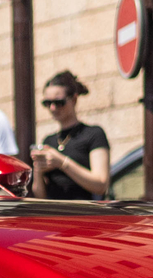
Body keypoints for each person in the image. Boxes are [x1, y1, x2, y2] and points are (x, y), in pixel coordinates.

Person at [29, 71, 110, 199]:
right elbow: (40, 196)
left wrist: (61, 162)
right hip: (53, 216)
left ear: (74, 99)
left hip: (84, 215)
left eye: (59, 102)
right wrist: (38, 170)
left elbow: (101, 185)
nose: (53, 108)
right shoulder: (49, 141)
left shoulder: (93, 134)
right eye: (47, 103)